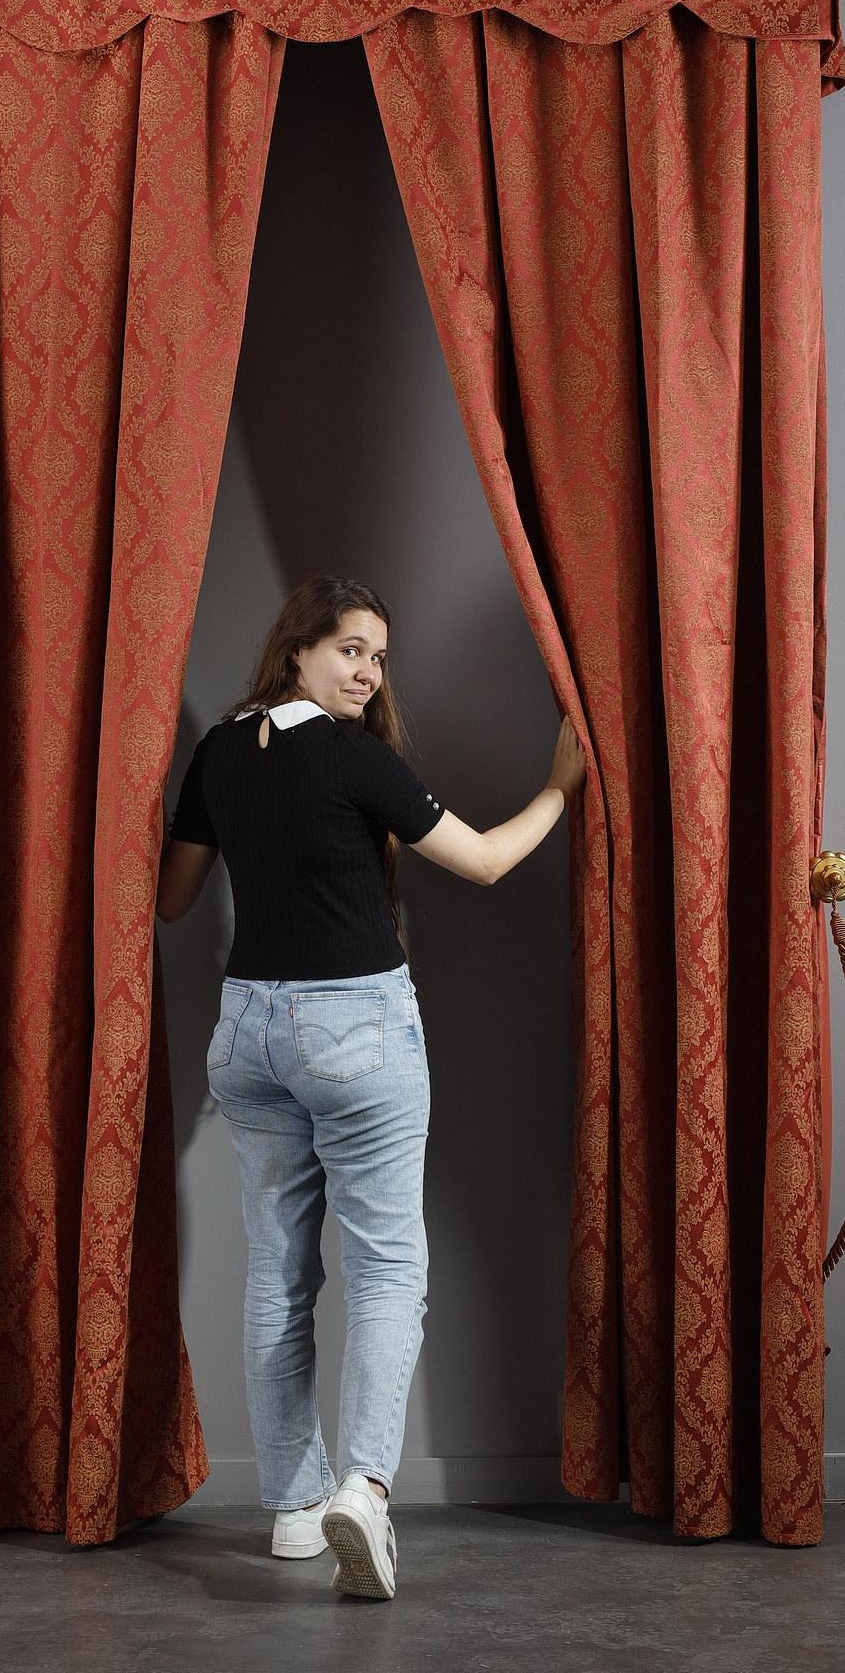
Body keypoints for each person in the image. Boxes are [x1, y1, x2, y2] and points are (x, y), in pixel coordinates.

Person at [156, 576, 586, 1600]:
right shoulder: (356, 757)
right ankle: (365, 1490)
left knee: (278, 1275)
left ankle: (296, 1509)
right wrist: (560, 789)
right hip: (354, 1027)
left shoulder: (218, 751)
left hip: (249, 1035)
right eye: (350, 649)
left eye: (379, 657)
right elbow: (482, 861)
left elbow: (173, 901)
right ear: (295, 650)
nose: (367, 672)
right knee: (389, 1270)